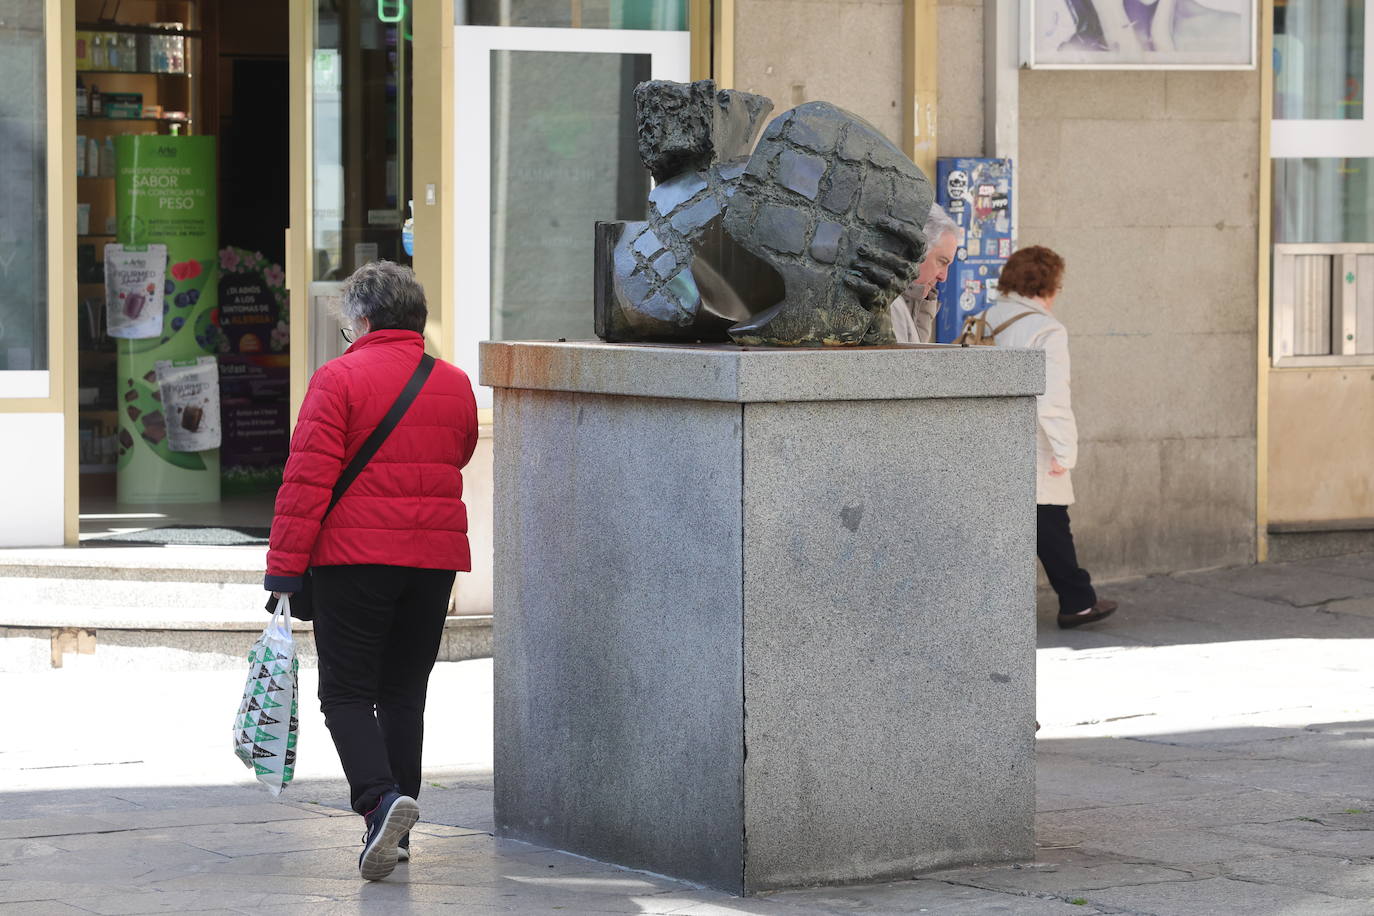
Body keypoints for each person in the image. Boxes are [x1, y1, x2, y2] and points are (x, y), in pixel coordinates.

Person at [264, 260, 479, 881]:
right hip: (433, 560)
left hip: (354, 559)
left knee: (347, 694)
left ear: (360, 320)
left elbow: (307, 481)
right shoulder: (455, 382)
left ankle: (380, 802)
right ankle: (395, 830)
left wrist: (282, 571)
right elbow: (457, 452)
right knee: (404, 692)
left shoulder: (339, 378)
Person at [980, 245, 1117, 629]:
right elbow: (1053, 398)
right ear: (1049, 286)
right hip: (1031, 445)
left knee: (1002, 527)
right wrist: (1064, 451)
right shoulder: (1046, 330)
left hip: (987, 444)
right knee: (1051, 523)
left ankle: (995, 606)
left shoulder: (984, 319)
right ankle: (1077, 601)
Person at [888, 203, 960, 343]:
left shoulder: (909, 302)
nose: (943, 277)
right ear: (916, 251)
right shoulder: (890, 305)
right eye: (942, 261)